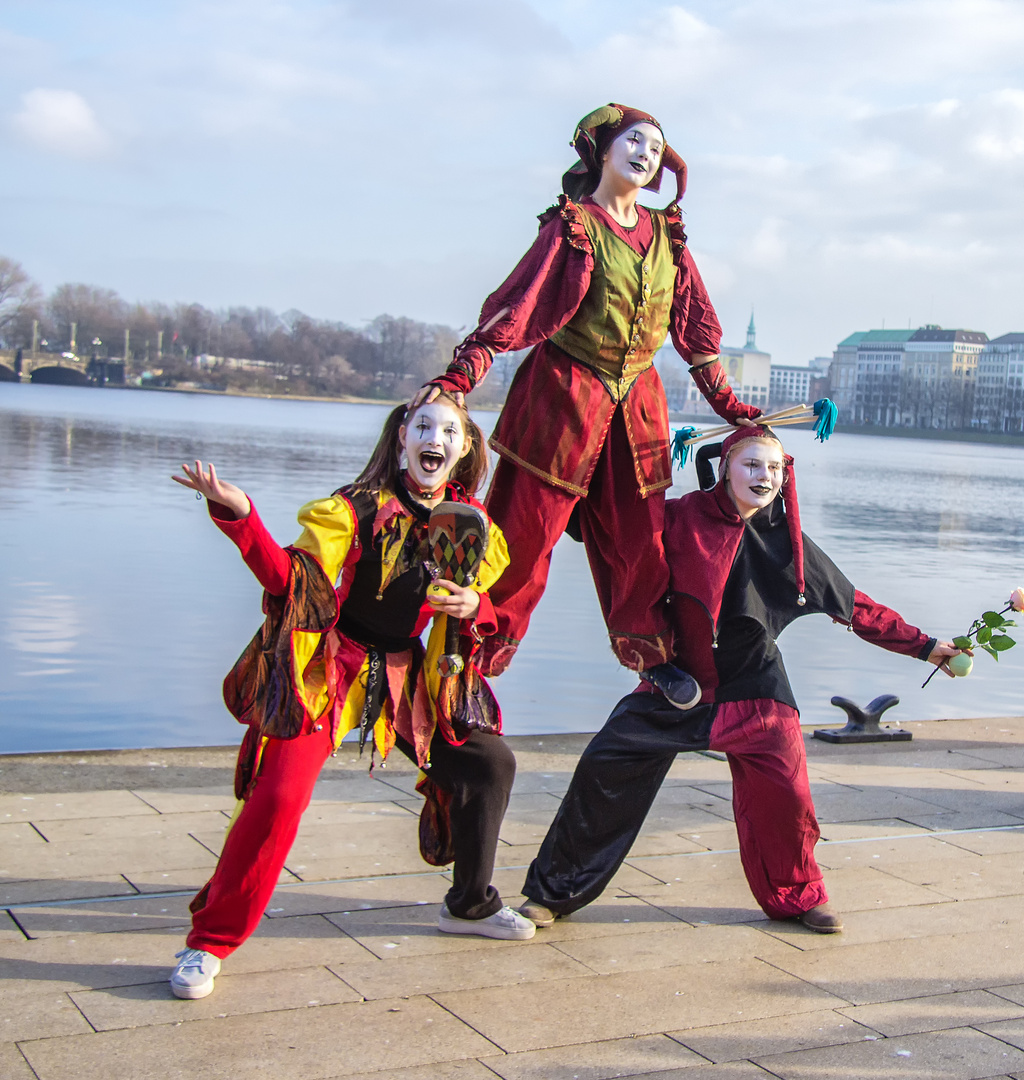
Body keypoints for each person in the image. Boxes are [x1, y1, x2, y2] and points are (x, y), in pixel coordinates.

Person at [519, 425, 968, 933]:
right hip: (676, 686)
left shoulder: (790, 541)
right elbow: (606, 524)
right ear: (726, 465)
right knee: (604, 765)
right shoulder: (680, 516)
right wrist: (586, 468)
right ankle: (552, 893)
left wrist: (927, 647)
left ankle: (799, 897)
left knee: (788, 795)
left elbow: (854, 607)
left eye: (774, 468)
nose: (764, 476)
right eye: (753, 464)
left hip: (757, 691)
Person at [166, 393, 534, 1001]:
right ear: (401, 442)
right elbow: (293, 581)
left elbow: (482, 607)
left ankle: (470, 904)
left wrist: (476, 606)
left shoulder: (473, 527)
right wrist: (241, 516)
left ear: (464, 449)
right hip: (333, 666)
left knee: (488, 762)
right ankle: (208, 942)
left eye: (448, 430)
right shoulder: (356, 509)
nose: (433, 438)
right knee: (279, 795)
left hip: (411, 673)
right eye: (421, 426)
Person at [414, 103, 761, 707]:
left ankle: (651, 660)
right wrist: (459, 377)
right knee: (522, 541)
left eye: (655, 147)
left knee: (641, 544)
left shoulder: (668, 239)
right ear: (602, 149)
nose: (645, 153)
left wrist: (734, 410)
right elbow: (515, 309)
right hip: (562, 400)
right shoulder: (573, 225)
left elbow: (697, 336)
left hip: (640, 410)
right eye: (634, 140)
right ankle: (472, 656)